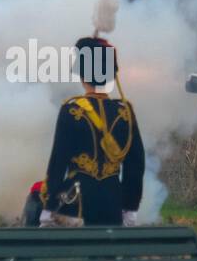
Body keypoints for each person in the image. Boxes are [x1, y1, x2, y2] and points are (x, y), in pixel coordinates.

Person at [40, 36, 145, 226]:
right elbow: (135, 166)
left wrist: (50, 205)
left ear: (82, 74)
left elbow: (58, 161)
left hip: (76, 205)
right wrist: (130, 207)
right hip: (113, 202)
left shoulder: (71, 109)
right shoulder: (125, 111)